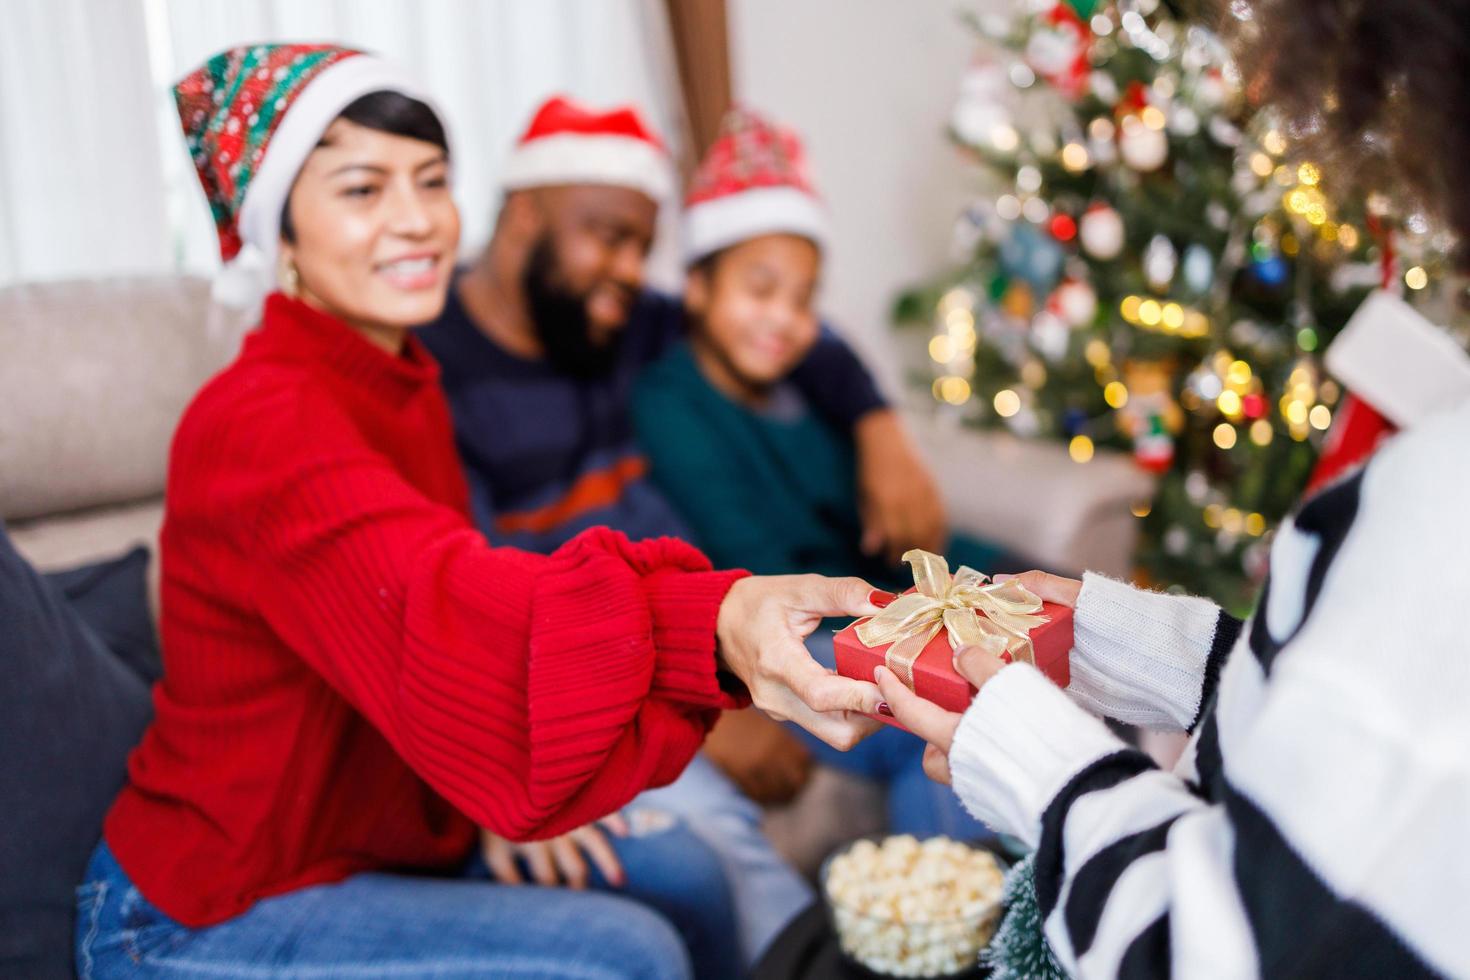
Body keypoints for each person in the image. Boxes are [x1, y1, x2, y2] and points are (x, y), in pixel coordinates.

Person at [76, 44, 885, 979]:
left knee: (692, 875)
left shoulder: (403, 384)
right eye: (362, 189)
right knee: (631, 953)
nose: (417, 219)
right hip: (208, 905)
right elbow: (439, 597)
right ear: (281, 231)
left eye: (431, 180)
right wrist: (708, 623)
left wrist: (469, 802)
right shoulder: (259, 424)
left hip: (395, 835)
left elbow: (389, 655)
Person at [877, 3, 1470, 974]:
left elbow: (1215, 948)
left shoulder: (1441, 511)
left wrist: (1030, 753)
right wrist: (1126, 643)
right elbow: (1341, 733)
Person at [417, 95, 952, 961]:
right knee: (716, 851)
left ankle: (963, 941)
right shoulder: (433, 369)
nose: (630, 271)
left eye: (641, 245)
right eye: (608, 236)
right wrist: (703, 692)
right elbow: (475, 613)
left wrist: (879, 427)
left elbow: (785, 328)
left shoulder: (613, 319)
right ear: (523, 216)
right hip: (595, 677)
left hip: (710, 627)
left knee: (926, 700)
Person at [632, 107, 1004, 843]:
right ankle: (938, 925)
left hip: (864, 618)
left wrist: (1001, 584)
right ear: (698, 289)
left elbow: (897, 541)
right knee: (945, 715)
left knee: (1015, 652)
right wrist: (916, 637)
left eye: (803, 299)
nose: (786, 320)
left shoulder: (809, 388)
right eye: (760, 289)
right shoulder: (671, 402)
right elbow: (759, 565)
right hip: (784, 644)